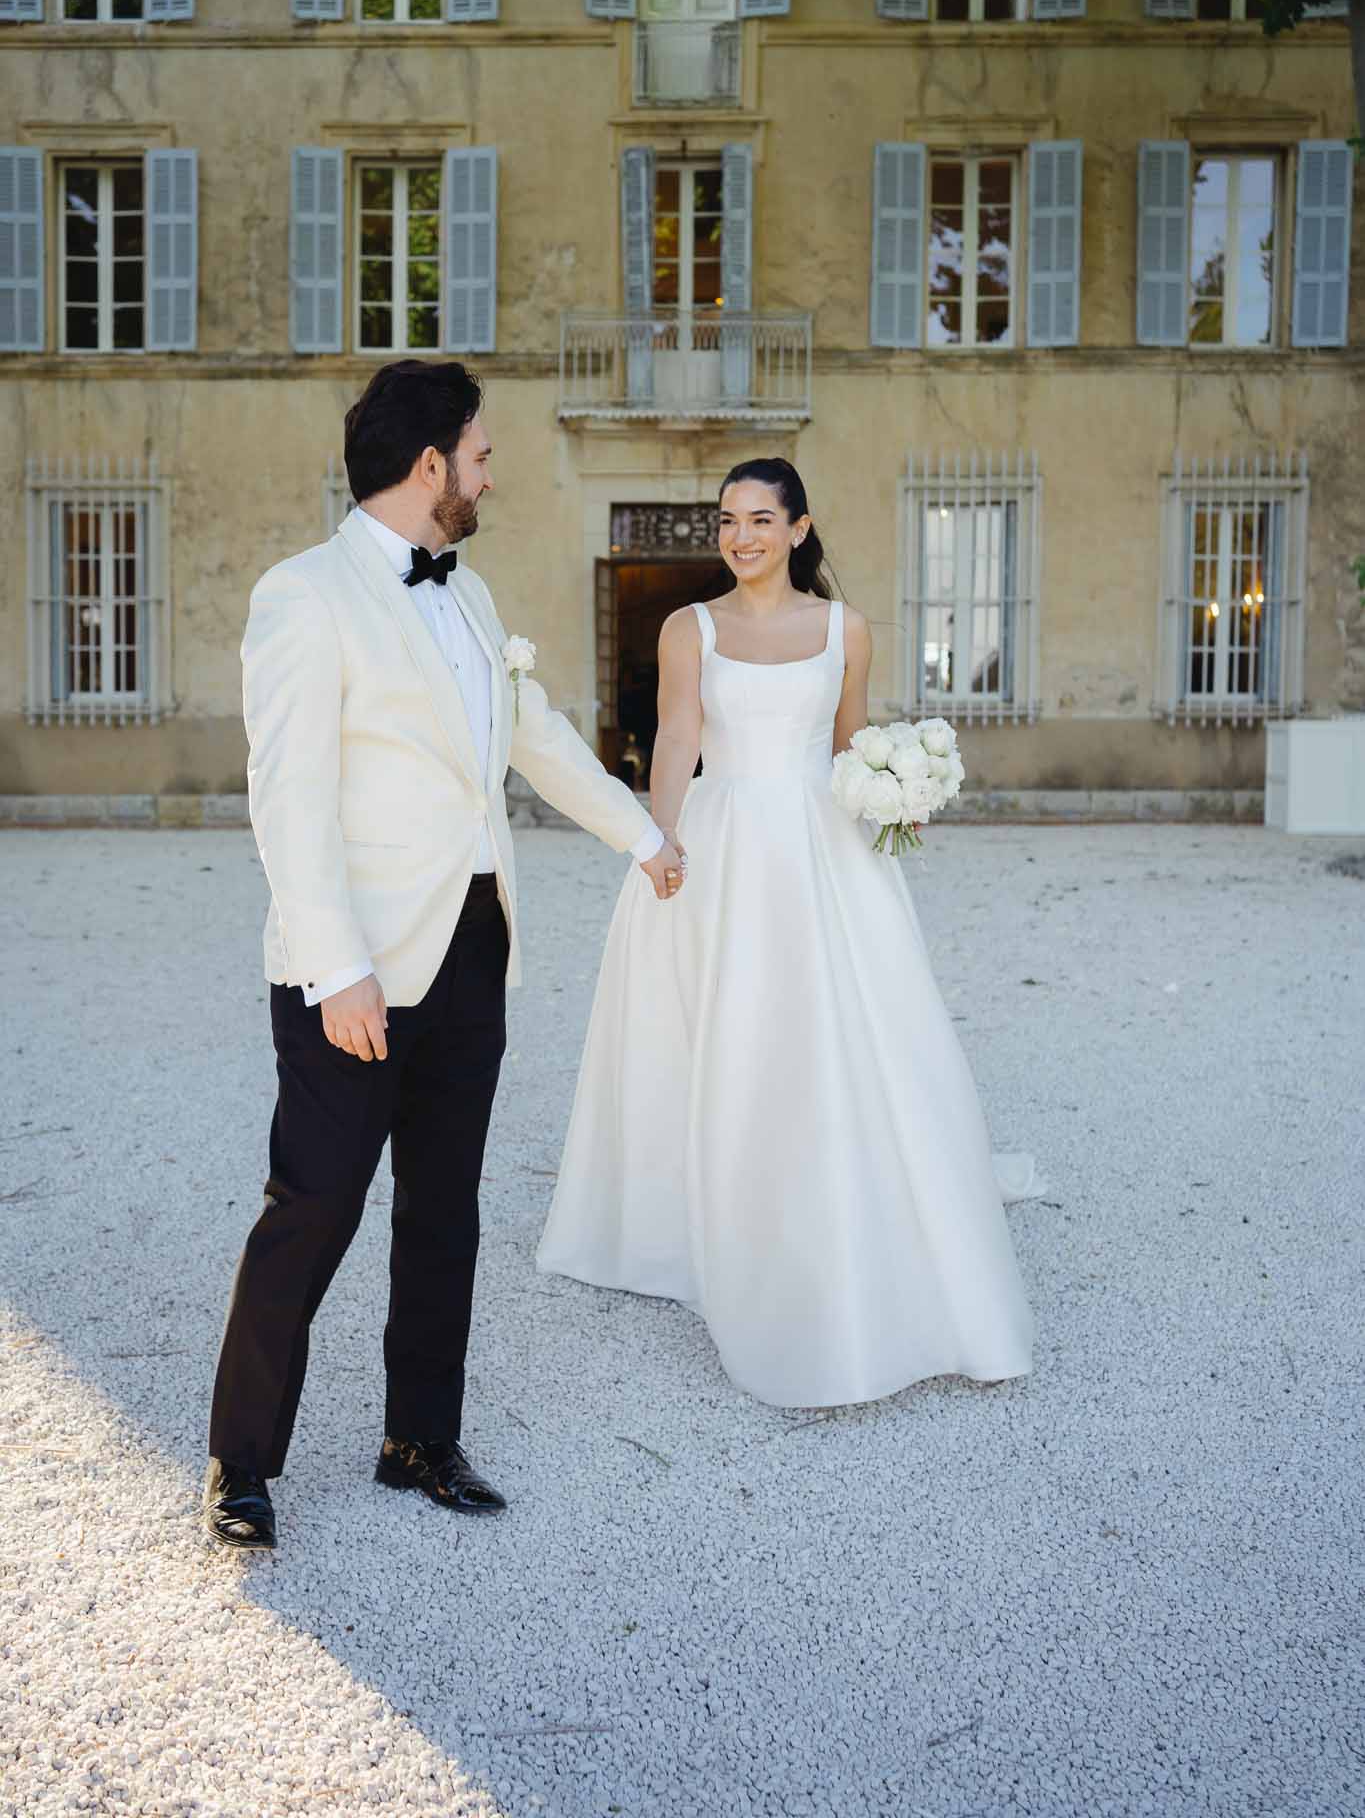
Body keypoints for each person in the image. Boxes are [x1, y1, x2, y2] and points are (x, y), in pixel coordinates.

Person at [204, 359, 685, 1551]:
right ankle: (240, 1460)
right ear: (430, 466)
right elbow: (288, 797)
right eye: (478, 453)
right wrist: (335, 964)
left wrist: (644, 836)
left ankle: (419, 1436)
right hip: (355, 965)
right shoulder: (303, 595)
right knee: (312, 1208)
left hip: (473, 948)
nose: (488, 472)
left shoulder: (469, 596)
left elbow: (539, 736)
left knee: (445, 1208)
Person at [537, 457, 1044, 1408]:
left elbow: (850, 738)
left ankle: (843, 1188)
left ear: (799, 529)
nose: (741, 535)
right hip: (725, 838)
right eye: (728, 519)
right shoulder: (688, 628)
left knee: (843, 1021)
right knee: (725, 1019)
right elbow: (679, 734)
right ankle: (715, 1205)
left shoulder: (844, 630)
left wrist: (897, 791)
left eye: (761, 519)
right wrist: (660, 838)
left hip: (822, 848)